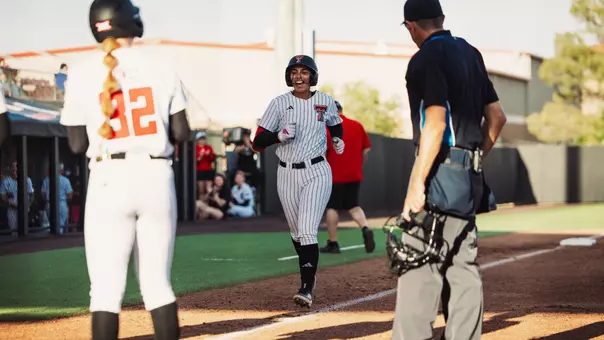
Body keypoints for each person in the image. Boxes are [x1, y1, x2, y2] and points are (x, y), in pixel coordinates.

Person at [59, 1, 191, 339]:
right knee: (157, 285)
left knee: (105, 290)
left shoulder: (81, 71)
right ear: (130, 22)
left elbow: (75, 145)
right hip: (155, 176)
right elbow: (181, 134)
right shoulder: (161, 65)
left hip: (108, 179)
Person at [393, 0, 507, 339]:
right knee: (462, 267)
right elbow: (497, 118)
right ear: (441, 19)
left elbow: (436, 124)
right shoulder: (471, 53)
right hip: (469, 175)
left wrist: (416, 187)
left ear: (411, 26)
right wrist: (471, 158)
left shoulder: (424, 59)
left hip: (440, 175)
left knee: (419, 268)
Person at [251, 54, 344, 308]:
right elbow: (257, 143)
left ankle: (306, 288)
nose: (299, 76)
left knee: (306, 229)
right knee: (296, 232)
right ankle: (308, 275)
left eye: (304, 72)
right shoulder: (279, 103)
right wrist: (278, 136)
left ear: (312, 76)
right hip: (287, 172)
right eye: (294, 72)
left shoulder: (325, 100)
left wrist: (337, 139)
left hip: (317, 169)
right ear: (289, 76)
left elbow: (336, 123)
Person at [320, 101, 374, 254]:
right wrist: (358, 167)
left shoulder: (326, 129)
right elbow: (365, 151)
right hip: (354, 174)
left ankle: (333, 243)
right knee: (354, 206)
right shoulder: (357, 126)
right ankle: (365, 228)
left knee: (332, 207)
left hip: (334, 176)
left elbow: (323, 154)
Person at [41, 163, 74, 235]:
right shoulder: (65, 180)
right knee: (60, 227)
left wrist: (47, 201)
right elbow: (70, 195)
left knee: (51, 226)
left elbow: (43, 195)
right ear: (60, 170)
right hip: (62, 204)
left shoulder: (46, 180)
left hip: (49, 204)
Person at [0, 161, 34, 231]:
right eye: (13, 167)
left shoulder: (27, 180)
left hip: (24, 209)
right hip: (12, 210)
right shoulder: (6, 181)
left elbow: (31, 195)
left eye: (17, 167)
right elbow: (2, 196)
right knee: (14, 231)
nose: (15, 169)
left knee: (24, 230)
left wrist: (27, 205)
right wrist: (10, 203)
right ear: (10, 169)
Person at [195, 131, 216, 198]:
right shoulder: (195, 148)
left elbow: (213, 158)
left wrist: (208, 155)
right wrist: (200, 156)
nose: (202, 141)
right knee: (201, 189)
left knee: (208, 189)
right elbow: (195, 160)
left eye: (203, 139)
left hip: (208, 170)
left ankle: (207, 203)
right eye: (200, 139)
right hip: (199, 170)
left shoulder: (208, 147)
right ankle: (201, 204)